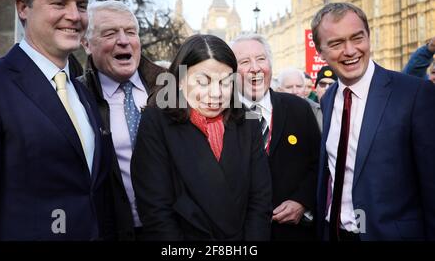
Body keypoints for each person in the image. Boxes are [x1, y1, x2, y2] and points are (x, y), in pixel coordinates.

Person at [0, 0, 114, 240]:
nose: (74, 15)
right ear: (23, 7)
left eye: (81, 5)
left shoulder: (82, 91)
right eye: (59, 2)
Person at [311, 2, 435, 241]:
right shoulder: (327, 101)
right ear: (320, 51)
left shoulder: (414, 95)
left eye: (357, 38)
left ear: (368, 36)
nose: (350, 51)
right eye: (336, 43)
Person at [131, 34, 272, 241]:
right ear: (179, 81)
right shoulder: (157, 122)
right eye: (203, 82)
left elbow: (260, 199)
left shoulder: (247, 120)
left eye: (225, 83)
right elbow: (155, 209)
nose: (216, 94)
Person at [79, 0, 164, 240]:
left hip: (173, 231)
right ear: (86, 44)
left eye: (130, 32)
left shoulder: (172, 86)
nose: (124, 40)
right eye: (109, 33)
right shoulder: (76, 97)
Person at [231, 33, 320, 240]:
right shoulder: (221, 115)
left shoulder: (300, 109)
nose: (255, 68)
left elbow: (318, 163)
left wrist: (302, 201)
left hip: (295, 234)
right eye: (244, 62)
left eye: (261, 59)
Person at [277, 67, 322, 131]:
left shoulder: (316, 110)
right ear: (279, 90)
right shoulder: (272, 110)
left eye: (299, 86)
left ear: (304, 88)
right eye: (289, 87)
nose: (295, 91)